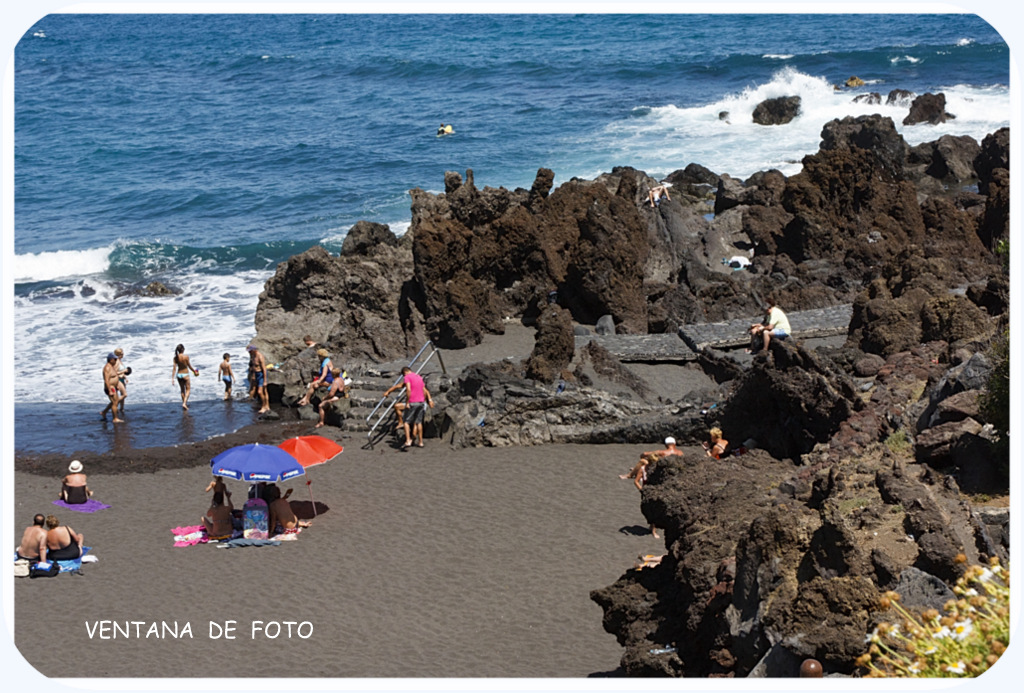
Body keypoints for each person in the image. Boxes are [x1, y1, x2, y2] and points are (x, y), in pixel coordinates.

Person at [619, 437, 682, 538]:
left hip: (652, 487)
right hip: (657, 484)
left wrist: (643, 456)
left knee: (654, 508)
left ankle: (629, 475)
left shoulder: (661, 453)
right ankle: (653, 528)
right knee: (653, 508)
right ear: (674, 444)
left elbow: (644, 454)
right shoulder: (680, 453)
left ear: (666, 445)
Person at [383, 367, 434, 448]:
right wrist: (388, 391)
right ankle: (420, 442)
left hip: (413, 402)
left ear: (405, 373)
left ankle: (410, 439)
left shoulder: (408, 378)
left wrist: (407, 402)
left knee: (408, 422)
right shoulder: (418, 377)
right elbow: (398, 386)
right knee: (417, 422)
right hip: (421, 403)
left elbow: (409, 390)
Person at [172, 344, 200, 410]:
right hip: (185, 374)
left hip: (179, 375)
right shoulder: (186, 357)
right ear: (183, 349)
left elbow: (174, 369)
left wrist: (172, 378)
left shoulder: (175, 358)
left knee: (182, 390)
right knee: (188, 389)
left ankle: (184, 404)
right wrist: (194, 371)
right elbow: (189, 366)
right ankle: (184, 403)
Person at [100, 353, 124, 423]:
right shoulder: (107, 368)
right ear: (111, 360)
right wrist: (110, 390)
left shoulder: (112, 366)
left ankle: (104, 412)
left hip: (114, 387)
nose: (116, 361)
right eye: (115, 359)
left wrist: (117, 385)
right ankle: (115, 418)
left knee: (115, 402)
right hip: (110, 388)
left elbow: (114, 376)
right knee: (115, 403)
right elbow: (106, 380)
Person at [247, 345, 270, 414]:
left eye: (250, 351)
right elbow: (254, 366)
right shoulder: (253, 356)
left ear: (254, 350)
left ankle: (264, 406)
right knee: (264, 391)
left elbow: (264, 369)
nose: (249, 353)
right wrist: (253, 375)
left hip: (261, 374)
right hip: (256, 374)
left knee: (260, 392)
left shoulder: (260, 356)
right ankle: (267, 406)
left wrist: (265, 380)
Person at [113, 348, 129, 414]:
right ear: (118, 354)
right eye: (122, 353)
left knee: (122, 395)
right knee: (124, 395)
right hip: (118, 380)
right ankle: (113, 405)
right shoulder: (116, 361)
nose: (123, 354)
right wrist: (124, 371)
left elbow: (121, 372)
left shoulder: (120, 361)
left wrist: (125, 377)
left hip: (122, 379)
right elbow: (115, 373)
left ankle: (121, 409)